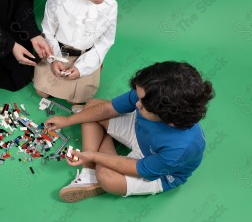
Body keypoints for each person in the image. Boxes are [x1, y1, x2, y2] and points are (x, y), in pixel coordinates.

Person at [45, 61, 215, 203]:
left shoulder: (181, 148)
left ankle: (94, 163)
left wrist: (93, 155)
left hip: (155, 167)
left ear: (166, 117)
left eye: (143, 105)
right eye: (138, 97)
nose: (136, 104)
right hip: (139, 132)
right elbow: (108, 108)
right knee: (92, 107)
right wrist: (68, 121)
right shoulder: (150, 93)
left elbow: (139, 168)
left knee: (107, 179)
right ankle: (89, 170)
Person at [33, 0, 117, 112]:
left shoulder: (110, 4)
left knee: (78, 101)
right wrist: (53, 60)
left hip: (86, 56)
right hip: (58, 53)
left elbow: (105, 41)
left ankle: (84, 76)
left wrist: (82, 68)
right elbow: (48, 31)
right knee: (41, 92)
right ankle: (52, 73)